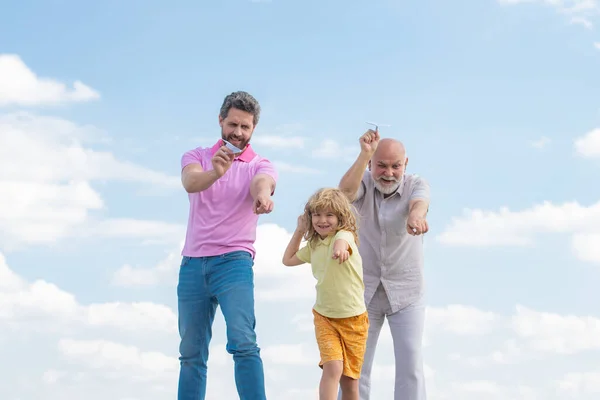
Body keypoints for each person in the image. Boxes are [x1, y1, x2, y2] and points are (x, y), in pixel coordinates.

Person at [177, 91, 278, 400]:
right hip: (193, 264)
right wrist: (215, 173)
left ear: (253, 129)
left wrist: (263, 196)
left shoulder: (260, 164)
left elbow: (263, 182)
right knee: (191, 353)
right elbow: (190, 183)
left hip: (234, 263)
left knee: (244, 343)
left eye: (245, 127)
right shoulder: (196, 157)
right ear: (220, 121)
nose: (238, 132)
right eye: (233, 124)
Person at [338, 129, 430, 400]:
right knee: (356, 366)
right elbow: (343, 195)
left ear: (405, 165)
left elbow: (419, 204)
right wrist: (365, 153)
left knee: (410, 364)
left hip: (407, 291)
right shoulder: (363, 183)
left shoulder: (416, 184)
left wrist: (415, 216)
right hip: (363, 290)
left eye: (395, 166)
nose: (388, 172)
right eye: (381, 165)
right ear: (370, 165)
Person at [282, 188, 369, 400]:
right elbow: (288, 259)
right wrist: (299, 231)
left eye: (329, 215)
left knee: (350, 383)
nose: (322, 220)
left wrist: (340, 249)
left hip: (353, 320)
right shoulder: (313, 245)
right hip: (325, 317)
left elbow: (343, 242)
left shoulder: (343, 235)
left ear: (340, 218)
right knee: (332, 368)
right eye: (317, 214)